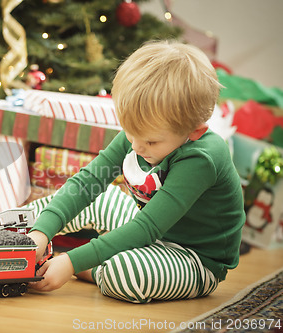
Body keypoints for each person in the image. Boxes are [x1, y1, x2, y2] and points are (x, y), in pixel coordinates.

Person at [26, 40, 245, 303]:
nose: (137, 146)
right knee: (99, 196)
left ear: (194, 131)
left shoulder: (202, 158)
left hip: (193, 259)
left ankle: (94, 268)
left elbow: (146, 228)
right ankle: (18, 239)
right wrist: (42, 232)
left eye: (151, 141)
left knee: (126, 272)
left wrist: (71, 262)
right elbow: (88, 181)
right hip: (149, 232)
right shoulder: (140, 134)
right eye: (130, 133)